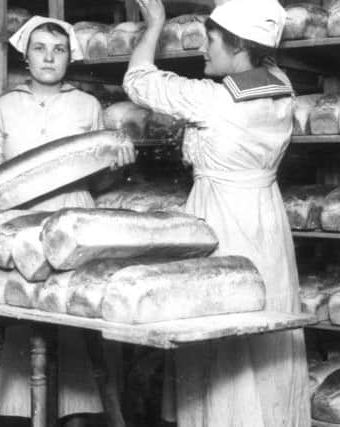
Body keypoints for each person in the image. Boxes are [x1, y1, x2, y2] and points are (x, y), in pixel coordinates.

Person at [123, 0, 310, 426]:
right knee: (265, 330)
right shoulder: (281, 84)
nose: (204, 50)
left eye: (210, 40)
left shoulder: (213, 101)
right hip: (266, 218)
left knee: (221, 330)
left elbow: (138, 80)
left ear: (238, 44)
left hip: (221, 222)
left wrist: (155, 24)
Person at [0, 16, 135, 427]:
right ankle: (17, 411)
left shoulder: (87, 105)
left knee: (72, 310)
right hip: (18, 219)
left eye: (59, 49)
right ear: (26, 58)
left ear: (70, 58)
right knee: (19, 313)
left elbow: (100, 174)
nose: (49, 57)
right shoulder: (2, 107)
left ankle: (76, 410)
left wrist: (116, 166)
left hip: (74, 215)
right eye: (40, 48)